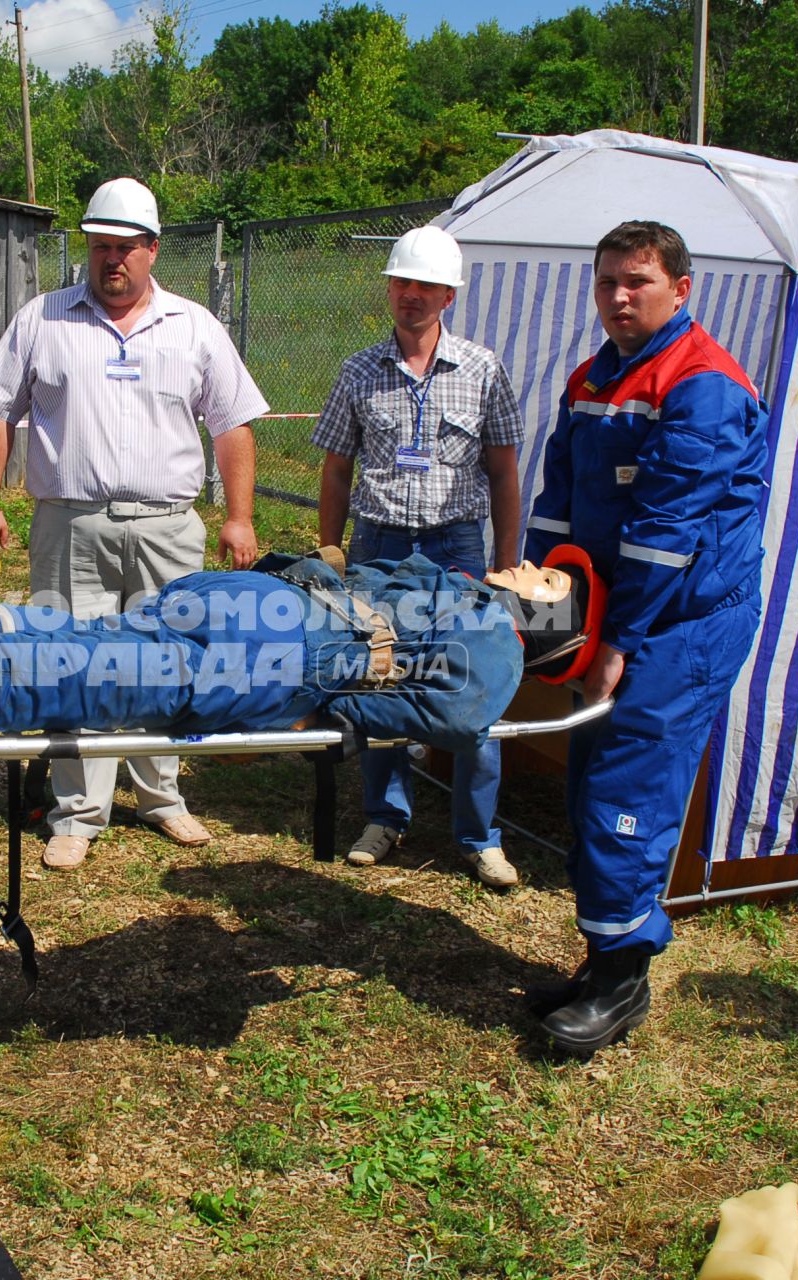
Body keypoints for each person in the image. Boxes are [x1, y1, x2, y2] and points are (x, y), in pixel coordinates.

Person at [0, 177, 269, 869]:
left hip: (168, 527)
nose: (112, 261)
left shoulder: (192, 326)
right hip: (71, 525)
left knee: (169, 664)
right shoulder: (42, 319)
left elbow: (233, 425)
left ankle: (163, 798)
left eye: (126, 248)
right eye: (101, 247)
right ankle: (77, 813)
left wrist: (239, 516)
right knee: (76, 662)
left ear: (152, 250)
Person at [522, 220, 767, 1058]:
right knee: (590, 780)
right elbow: (557, 502)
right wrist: (537, 607)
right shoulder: (593, 376)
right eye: (606, 284)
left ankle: (623, 985)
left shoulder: (702, 385)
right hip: (616, 613)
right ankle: (601, 961)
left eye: (637, 282)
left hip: (679, 625)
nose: (618, 299)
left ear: (680, 289)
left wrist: (618, 642)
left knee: (630, 794)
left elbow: (665, 532)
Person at [0, 546, 600, 749]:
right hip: (272, 643)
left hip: (263, 620)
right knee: (36, 669)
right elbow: (406, 715)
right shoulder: (470, 618)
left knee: (30, 635)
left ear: (547, 627)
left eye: (550, 583)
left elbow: (432, 715)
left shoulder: (496, 650)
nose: (534, 566)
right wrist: (330, 694)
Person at [313, 225, 526, 890]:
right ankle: (384, 817)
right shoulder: (357, 371)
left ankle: (478, 835)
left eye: (425, 285)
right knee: (381, 680)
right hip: (378, 548)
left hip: (455, 548)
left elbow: (503, 473)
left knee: (472, 687)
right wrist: (330, 547)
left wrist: (509, 565)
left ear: (448, 296)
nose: (411, 295)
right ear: (388, 288)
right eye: (402, 282)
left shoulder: (483, 371)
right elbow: (336, 469)